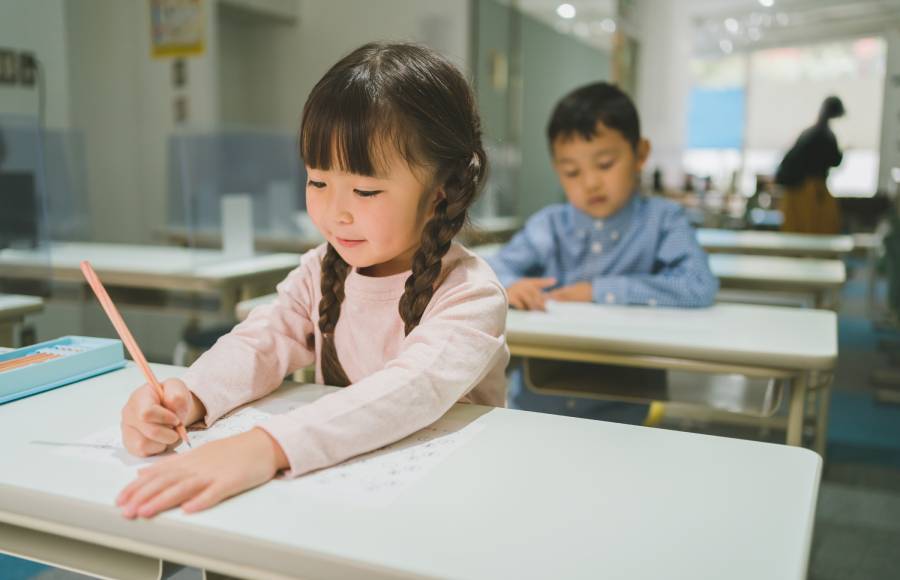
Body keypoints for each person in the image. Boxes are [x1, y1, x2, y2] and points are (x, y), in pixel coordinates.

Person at [116, 42, 510, 518]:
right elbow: (262, 340)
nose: (335, 213)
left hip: (444, 502)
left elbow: (409, 392)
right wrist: (191, 393)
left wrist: (265, 447)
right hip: (345, 495)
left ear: (440, 190)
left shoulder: (470, 292)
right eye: (317, 181)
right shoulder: (322, 269)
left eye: (365, 190)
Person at [486, 81, 717, 424]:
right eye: (572, 172)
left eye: (605, 164)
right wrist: (508, 286)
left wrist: (598, 291)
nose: (590, 183)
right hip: (535, 407)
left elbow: (698, 284)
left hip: (624, 415)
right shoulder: (550, 225)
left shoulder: (662, 221)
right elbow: (490, 271)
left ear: (640, 154)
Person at [775, 96, 845, 234]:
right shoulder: (826, 135)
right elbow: (835, 160)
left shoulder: (810, 132)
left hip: (796, 189)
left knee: (798, 232)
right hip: (809, 191)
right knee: (814, 231)